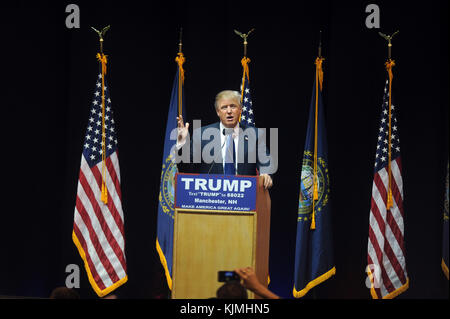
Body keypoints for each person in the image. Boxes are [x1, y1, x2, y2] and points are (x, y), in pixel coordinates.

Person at [176, 90, 273, 188]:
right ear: (218, 112)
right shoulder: (201, 134)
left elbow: (266, 162)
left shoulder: (255, 135)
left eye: (233, 106)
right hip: (209, 197)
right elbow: (186, 169)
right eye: (224, 107)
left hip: (244, 197)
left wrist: (266, 174)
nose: (229, 111)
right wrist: (182, 144)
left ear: (240, 109)